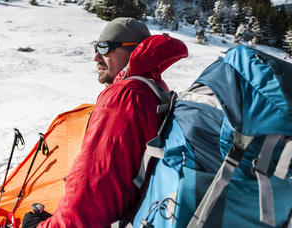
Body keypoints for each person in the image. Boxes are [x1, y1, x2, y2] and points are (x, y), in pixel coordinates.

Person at [29, 17, 188, 227]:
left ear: (134, 51)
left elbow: (92, 193)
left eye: (105, 47)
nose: (96, 57)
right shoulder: (154, 88)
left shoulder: (125, 96)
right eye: (96, 47)